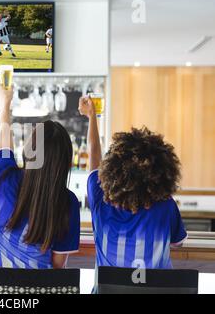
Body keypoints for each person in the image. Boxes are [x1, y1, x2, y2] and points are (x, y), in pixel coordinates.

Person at [78, 95, 187, 271]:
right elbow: (177, 243)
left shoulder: (100, 200)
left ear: (111, 169)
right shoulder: (166, 206)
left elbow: (93, 154)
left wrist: (92, 116)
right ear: (161, 171)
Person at [0, 84, 81, 269]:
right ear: (65, 162)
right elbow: (57, 266)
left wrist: (5, 104)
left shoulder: (4, 177)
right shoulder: (68, 202)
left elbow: (3, 134)